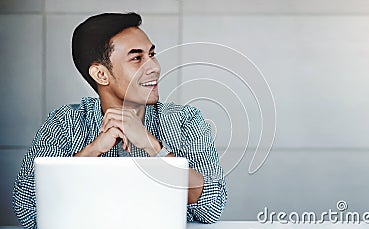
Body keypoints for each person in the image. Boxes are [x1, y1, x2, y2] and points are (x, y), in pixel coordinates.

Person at [13, 12, 227, 229]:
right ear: (101, 74)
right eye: (137, 58)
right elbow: (27, 210)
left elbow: (211, 207)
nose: (154, 67)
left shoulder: (185, 121)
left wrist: (152, 146)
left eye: (152, 54)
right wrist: (93, 150)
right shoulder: (64, 122)